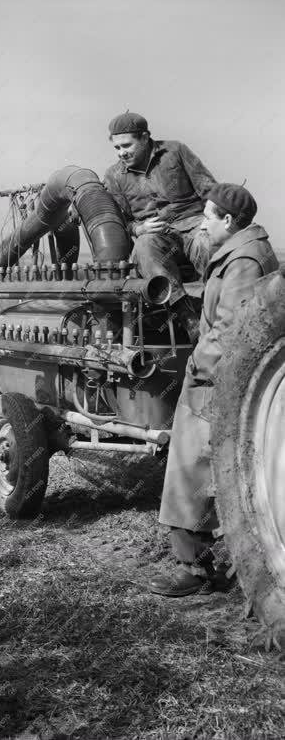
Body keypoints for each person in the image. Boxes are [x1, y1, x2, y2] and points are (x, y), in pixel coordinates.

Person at [150, 183, 279, 596]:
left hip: (214, 384)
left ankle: (200, 572)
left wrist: (198, 364)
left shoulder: (244, 261)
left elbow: (234, 333)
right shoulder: (242, 253)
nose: (202, 224)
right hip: (215, 382)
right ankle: (208, 564)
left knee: (191, 474)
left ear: (228, 220)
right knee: (199, 474)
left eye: (207, 216)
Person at [103, 112, 217, 343]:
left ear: (145, 138)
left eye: (127, 145)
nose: (121, 152)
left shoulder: (176, 151)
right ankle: (189, 318)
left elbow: (209, 189)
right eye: (116, 148)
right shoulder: (114, 176)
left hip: (193, 225)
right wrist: (137, 229)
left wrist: (211, 219)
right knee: (144, 246)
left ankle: (218, 309)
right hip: (157, 237)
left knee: (210, 241)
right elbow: (120, 221)